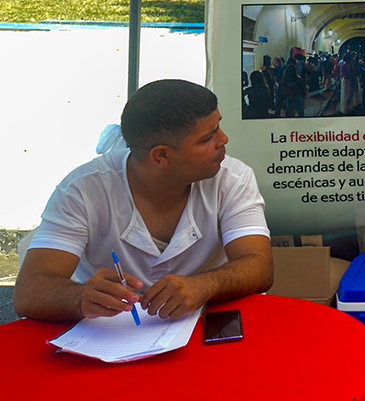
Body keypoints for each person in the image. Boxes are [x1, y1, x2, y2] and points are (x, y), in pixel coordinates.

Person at [13, 79, 273, 322]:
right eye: (207, 138)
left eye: (218, 127)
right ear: (161, 156)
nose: (224, 140)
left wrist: (205, 285)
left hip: (205, 322)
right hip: (108, 337)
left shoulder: (232, 178)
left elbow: (259, 265)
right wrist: (80, 297)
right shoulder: (84, 190)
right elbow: (30, 292)